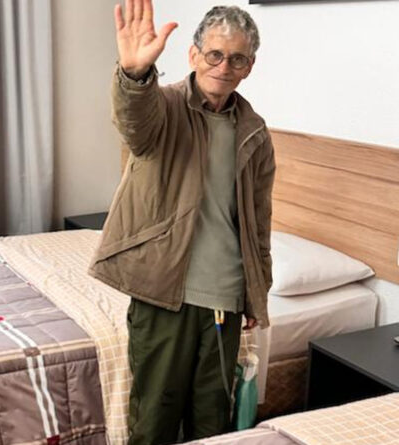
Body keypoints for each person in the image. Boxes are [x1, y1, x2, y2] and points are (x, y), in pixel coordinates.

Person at [88, 1, 275, 444]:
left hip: (225, 300)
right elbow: (133, 123)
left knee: (212, 423)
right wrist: (134, 75)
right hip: (163, 293)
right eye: (215, 54)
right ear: (194, 55)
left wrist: (257, 291)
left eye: (237, 58)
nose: (224, 67)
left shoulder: (254, 131)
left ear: (249, 67)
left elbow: (258, 221)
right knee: (154, 419)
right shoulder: (164, 106)